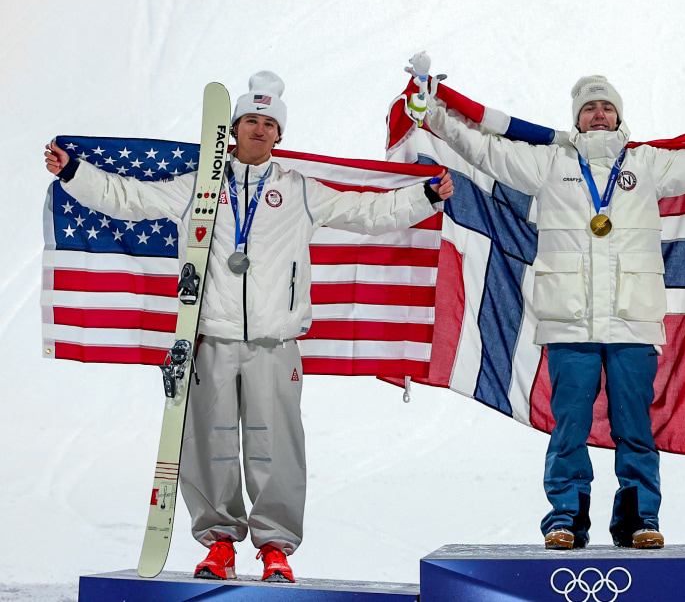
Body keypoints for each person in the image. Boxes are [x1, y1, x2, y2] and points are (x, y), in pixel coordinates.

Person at [44, 71, 453, 582]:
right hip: (209, 340)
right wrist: (74, 172)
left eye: (269, 123)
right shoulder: (200, 187)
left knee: (275, 449)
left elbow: (367, 211)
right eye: (251, 120)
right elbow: (130, 198)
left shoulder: (299, 190)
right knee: (209, 446)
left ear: (280, 135)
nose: (259, 129)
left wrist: (425, 198)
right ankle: (218, 544)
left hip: (273, 344)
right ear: (233, 129)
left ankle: (276, 547)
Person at [412, 60, 685, 550]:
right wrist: (432, 112)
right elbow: (485, 149)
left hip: (632, 322)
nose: (598, 114)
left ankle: (639, 520)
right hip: (570, 323)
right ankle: (565, 518)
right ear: (576, 119)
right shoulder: (551, 163)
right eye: (589, 108)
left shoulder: (646, 165)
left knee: (635, 429)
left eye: (606, 107)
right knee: (570, 428)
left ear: (619, 116)